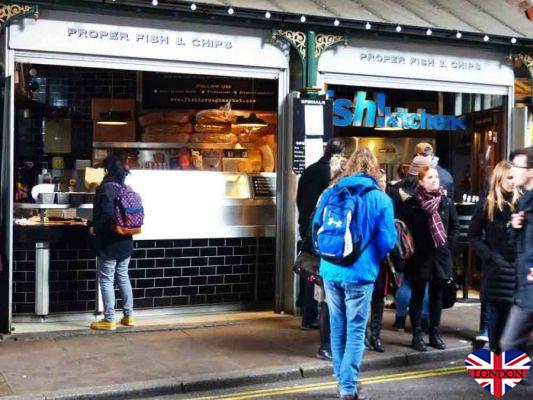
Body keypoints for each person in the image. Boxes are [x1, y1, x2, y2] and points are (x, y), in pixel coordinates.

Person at [320, 148, 397, 399]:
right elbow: (387, 241)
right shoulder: (381, 198)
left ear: (350, 166)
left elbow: (315, 228)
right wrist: (371, 255)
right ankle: (348, 386)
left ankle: (341, 378)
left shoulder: (332, 191)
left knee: (337, 325)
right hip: (360, 273)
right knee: (355, 329)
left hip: (331, 269)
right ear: (374, 167)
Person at [400, 166, 459, 352]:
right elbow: (405, 231)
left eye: (436, 177)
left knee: (437, 296)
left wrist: (448, 247)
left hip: (440, 256)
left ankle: (435, 333)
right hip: (420, 256)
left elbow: (454, 227)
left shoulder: (446, 202)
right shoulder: (412, 204)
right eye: (430, 177)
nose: (435, 180)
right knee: (417, 294)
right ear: (421, 182)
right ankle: (417, 335)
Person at [468, 161, 519, 353]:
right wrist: (489, 256)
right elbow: (473, 235)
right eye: (509, 177)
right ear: (499, 178)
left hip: (516, 271)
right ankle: (499, 367)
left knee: (515, 326)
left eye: (515, 177)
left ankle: (514, 367)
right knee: (497, 325)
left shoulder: (521, 202)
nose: (514, 182)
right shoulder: (487, 204)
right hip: (496, 273)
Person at [296, 138, 344, 330]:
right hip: (324, 230)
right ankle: (311, 316)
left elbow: (299, 199)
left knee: (308, 268)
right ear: (340, 155)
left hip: (307, 226)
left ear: (325, 150)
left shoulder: (309, 170)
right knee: (319, 273)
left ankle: (305, 310)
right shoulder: (333, 176)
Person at [89, 154, 135, 331]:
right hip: (126, 239)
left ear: (107, 170)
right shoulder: (125, 187)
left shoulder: (106, 188)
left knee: (106, 278)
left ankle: (109, 319)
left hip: (110, 241)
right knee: (123, 276)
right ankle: (128, 316)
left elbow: (107, 215)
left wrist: (95, 228)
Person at [390, 156, 430, 332]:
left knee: (405, 280)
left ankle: (399, 319)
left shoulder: (397, 189)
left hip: (403, 242)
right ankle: (424, 319)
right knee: (424, 283)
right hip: (422, 241)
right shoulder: (425, 193)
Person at [501, 146, 533, 355]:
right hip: (524, 285)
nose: (512, 172)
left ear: (531, 171)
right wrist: (514, 227)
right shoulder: (524, 200)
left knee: (510, 343)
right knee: (512, 345)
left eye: (517, 167)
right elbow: (516, 247)